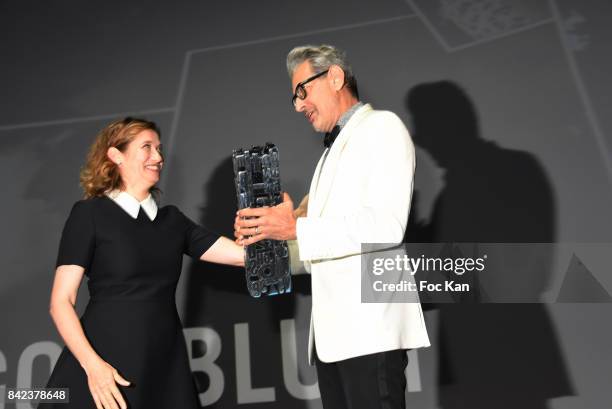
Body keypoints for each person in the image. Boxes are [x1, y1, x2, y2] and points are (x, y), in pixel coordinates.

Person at [234, 45, 430, 409]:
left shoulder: (381, 126)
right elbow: (314, 251)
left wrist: (293, 229)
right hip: (333, 338)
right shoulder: (329, 154)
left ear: (335, 77)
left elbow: (387, 226)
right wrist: (264, 237)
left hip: (370, 331)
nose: (297, 105)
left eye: (301, 92)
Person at [40, 118, 244, 409]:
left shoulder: (174, 221)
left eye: (159, 149)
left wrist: (284, 226)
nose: (158, 157)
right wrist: (94, 368)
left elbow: (243, 256)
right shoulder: (90, 214)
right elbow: (61, 301)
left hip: (164, 364)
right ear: (115, 156)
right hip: (104, 362)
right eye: (146, 147)